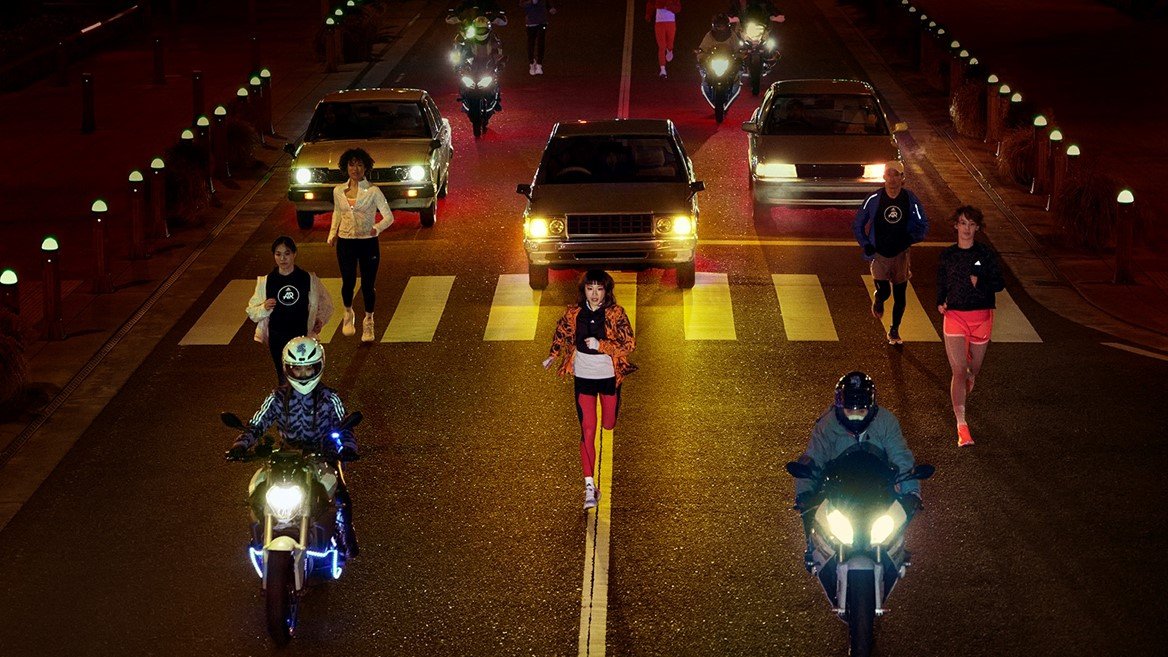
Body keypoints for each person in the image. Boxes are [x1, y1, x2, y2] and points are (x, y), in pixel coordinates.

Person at [226, 337, 361, 556]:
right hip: (285, 456)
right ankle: (260, 535)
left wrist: (348, 447)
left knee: (341, 498)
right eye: (297, 369)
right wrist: (241, 444)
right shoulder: (277, 397)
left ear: (319, 367)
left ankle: (346, 536)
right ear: (288, 369)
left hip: (322, 454)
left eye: (309, 368)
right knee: (257, 492)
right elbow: (257, 424)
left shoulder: (330, 397)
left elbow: (344, 426)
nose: (303, 374)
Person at [793, 372, 922, 556]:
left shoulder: (886, 421)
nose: (855, 416)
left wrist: (912, 491)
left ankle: (896, 554)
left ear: (871, 407)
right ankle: (811, 550)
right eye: (850, 410)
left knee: (896, 536)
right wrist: (804, 493)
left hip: (879, 491)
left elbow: (900, 455)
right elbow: (814, 457)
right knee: (816, 528)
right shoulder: (826, 425)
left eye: (861, 411)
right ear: (839, 407)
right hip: (838, 493)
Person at [542, 270, 637, 510]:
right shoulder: (574, 313)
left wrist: (601, 345)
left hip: (607, 377)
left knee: (608, 423)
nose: (594, 294)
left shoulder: (616, 314)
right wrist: (553, 355)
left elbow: (629, 345)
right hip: (583, 376)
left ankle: (612, 410)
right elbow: (562, 331)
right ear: (583, 290)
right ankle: (589, 488)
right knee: (587, 429)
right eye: (590, 289)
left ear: (607, 291)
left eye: (599, 289)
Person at [936, 206, 1005, 447]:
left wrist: (981, 281)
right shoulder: (948, 255)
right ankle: (962, 426)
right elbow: (942, 283)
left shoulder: (985, 254)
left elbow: (999, 284)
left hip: (981, 317)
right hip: (955, 316)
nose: (966, 228)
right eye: (962, 223)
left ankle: (967, 384)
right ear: (955, 225)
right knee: (958, 370)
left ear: (977, 227)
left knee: (971, 370)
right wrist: (940, 302)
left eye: (971, 224)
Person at [852, 160, 929, 345]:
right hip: (879, 254)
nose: (893, 179)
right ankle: (879, 298)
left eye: (897, 175)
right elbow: (858, 224)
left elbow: (923, 223)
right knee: (885, 291)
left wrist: (911, 239)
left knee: (900, 296)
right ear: (884, 177)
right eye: (889, 174)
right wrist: (866, 244)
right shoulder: (874, 199)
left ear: (902, 178)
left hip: (901, 255)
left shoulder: (910, 199)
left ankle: (894, 330)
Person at [246, 236, 334, 385]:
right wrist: (264, 308)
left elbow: (326, 302)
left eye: (287, 253)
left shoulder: (307, 278)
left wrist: (319, 320)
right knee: (284, 379)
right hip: (277, 337)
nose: (282, 258)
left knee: (306, 377)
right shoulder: (267, 281)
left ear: (294, 254)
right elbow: (251, 311)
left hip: (302, 337)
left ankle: (307, 406)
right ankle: (287, 406)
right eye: (278, 254)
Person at [329, 148, 393, 344]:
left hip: (368, 243)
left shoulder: (373, 191)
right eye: (351, 164)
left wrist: (377, 228)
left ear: (366, 167)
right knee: (348, 281)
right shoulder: (338, 190)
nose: (355, 169)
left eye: (359, 165)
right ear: (345, 167)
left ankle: (369, 319)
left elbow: (389, 217)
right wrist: (332, 234)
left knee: (367, 284)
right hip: (346, 242)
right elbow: (337, 213)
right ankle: (348, 313)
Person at [646, 0, 682, 78]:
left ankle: (670, 49)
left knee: (670, 43)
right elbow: (650, 3)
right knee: (661, 46)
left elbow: (678, 8)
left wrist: (668, 6)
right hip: (659, 23)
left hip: (670, 22)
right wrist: (648, 14)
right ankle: (663, 70)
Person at [520, 0, 556, 76]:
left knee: (541, 42)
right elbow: (521, 4)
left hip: (542, 22)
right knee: (531, 43)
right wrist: (531, 2)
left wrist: (550, 8)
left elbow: (546, 3)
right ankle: (532, 63)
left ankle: (539, 65)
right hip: (530, 23)